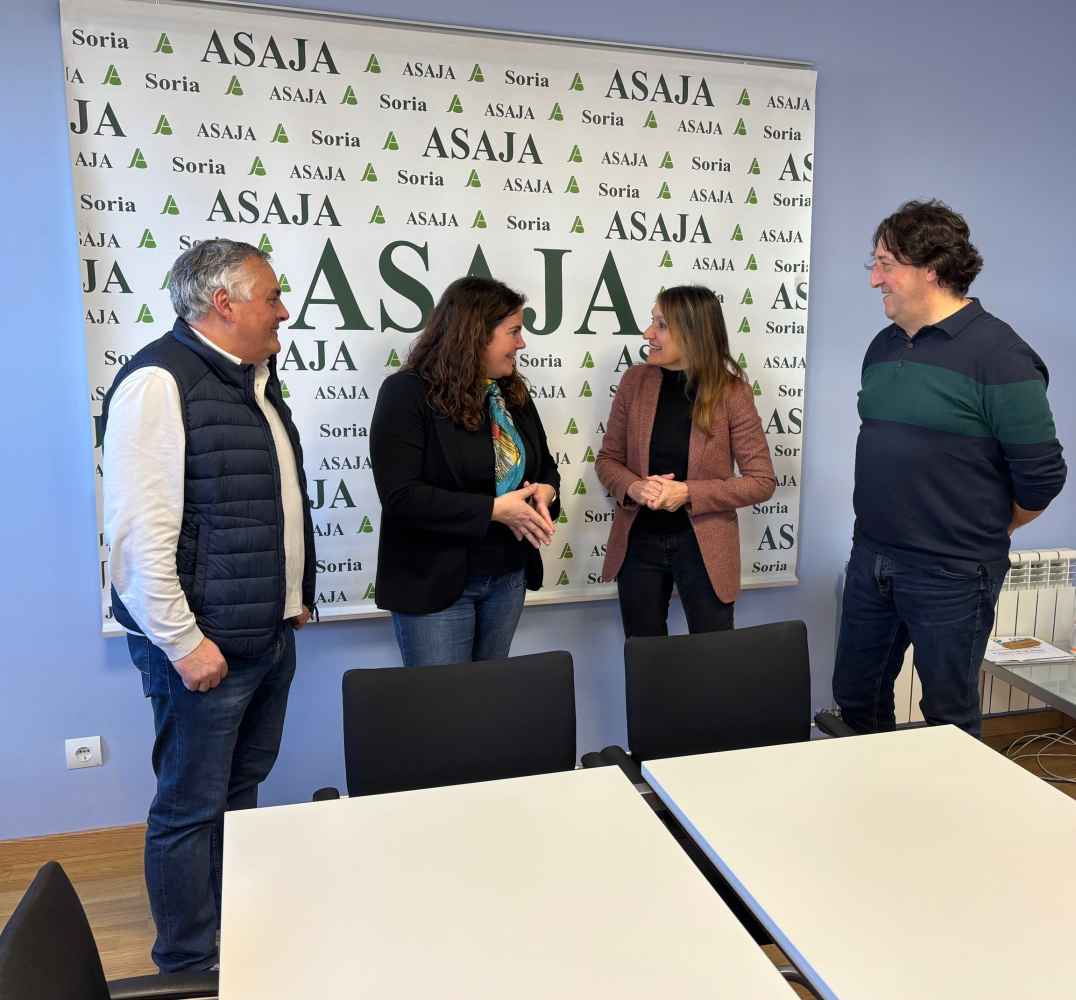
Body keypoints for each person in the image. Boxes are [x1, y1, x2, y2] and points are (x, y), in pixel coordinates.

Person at [102, 239, 316, 972]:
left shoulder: (252, 380)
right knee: (189, 808)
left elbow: (261, 506)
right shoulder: (159, 383)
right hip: (204, 647)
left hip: (264, 634)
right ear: (223, 304)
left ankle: (234, 935)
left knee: (238, 793)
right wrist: (183, 643)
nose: (282, 311)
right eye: (271, 296)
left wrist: (292, 599)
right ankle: (189, 965)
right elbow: (137, 538)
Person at [834, 200, 1066, 737]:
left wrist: (983, 528)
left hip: (953, 572)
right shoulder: (883, 347)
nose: (874, 279)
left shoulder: (1001, 356)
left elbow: (1042, 477)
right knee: (856, 698)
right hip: (872, 556)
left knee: (948, 718)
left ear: (931, 269)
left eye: (886, 264)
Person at [370, 276, 559, 666]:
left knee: (488, 699)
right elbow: (401, 496)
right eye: (514, 332)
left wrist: (546, 492)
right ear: (476, 334)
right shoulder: (406, 393)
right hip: (435, 581)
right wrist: (493, 510)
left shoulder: (511, 393)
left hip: (508, 577)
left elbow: (547, 469)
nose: (522, 343)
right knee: (444, 702)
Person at [596, 284, 776, 637]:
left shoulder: (732, 392)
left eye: (661, 325)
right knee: (645, 657)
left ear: (693, 332)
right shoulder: (634, 381)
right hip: (639, 544)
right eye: (652, 322)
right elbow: (608, 460)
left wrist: (688, 493)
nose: (648, 333)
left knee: (711, 659)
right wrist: (634, 487)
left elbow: (761, 481)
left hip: (705, 549)